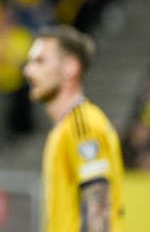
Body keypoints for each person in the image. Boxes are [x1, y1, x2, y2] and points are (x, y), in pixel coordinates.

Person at [22, 25, 124, 232]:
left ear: (70, 67)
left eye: (39, 61)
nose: (28, 71)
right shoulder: (64, 128)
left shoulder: (82, 125)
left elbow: (98, 210)